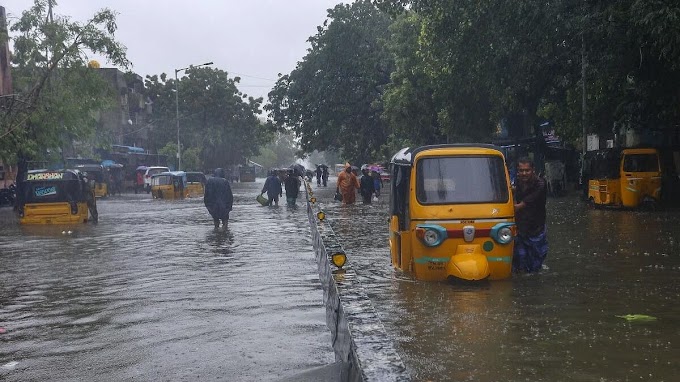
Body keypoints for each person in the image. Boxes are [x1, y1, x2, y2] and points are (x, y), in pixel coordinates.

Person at [512, 157, 548, 273]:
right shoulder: (517, 183)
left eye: (527, 170)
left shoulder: (540, 184)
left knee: (535, 266)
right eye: (521, 171)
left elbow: (523, 204)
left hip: (536, 229)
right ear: (517, 171)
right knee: (519, 261)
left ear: (533, 170)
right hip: (521, 228)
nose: (524, 173)